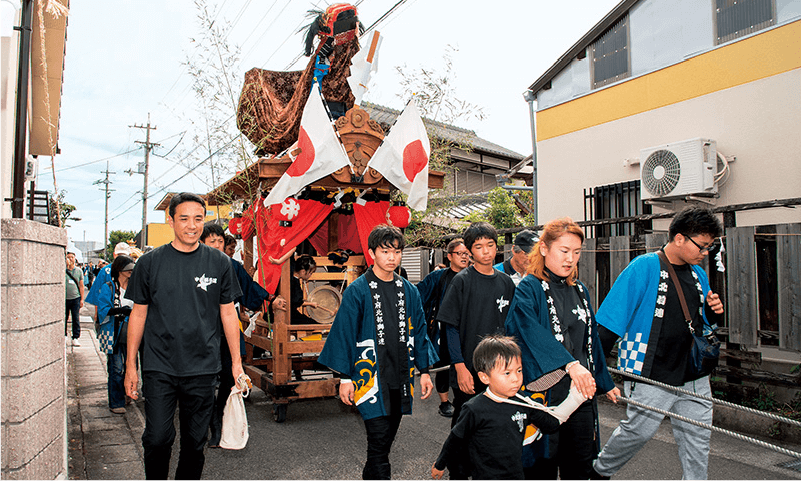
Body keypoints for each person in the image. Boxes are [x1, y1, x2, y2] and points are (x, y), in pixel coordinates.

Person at [592, 206, 724, 481]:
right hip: (652, 370)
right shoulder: (644, 267)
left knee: (698, 440)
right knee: (636, 432)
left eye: (709, 247)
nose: (705, 253)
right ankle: (599, 472)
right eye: (702, 246)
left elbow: (702, 323)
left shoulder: (698, 274)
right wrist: (599, 373)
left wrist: (713, 311)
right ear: (679, 238)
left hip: (693, 373)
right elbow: (607, 325)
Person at [123, 192, 244, 481]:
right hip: (159, 366)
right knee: (157, 438)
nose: (192, 225)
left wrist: (237, 363)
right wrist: (130, 366)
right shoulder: (150, 263)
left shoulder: (219, 263)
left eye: (198, 219)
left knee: (195, 442)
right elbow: (138, 314)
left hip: (203, 367)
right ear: (171, 220)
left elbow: (228, 313)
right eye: (184, 218)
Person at [319, 224, 438, 481]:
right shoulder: (358, 290)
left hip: (400, 375)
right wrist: (345, 378)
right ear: (372, 253)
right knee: (378, 441)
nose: (392, 257)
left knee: (385, 441)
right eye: (385, 251)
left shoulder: (409, 290)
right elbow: (344, 333)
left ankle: (369, 474)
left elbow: (419, 331)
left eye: (397, 251)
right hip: (369, 378)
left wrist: (425, 371)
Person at [505, 218, 618, 481]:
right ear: (544, 249)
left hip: (580, 393)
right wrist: (569, 364)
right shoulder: (529, 287)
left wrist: (604, 380)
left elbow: (589, 342)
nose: (570, 259)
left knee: (579, 464)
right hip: (545, 394)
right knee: (542, 465)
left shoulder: (579, 290)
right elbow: (528, 330)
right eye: (564, 251)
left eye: (576, 252)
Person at [432, 335, 587, 481]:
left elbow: (551, 423)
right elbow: (455, 439)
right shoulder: (474, 409)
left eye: (518, 370)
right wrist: (440, 464)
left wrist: (576, 398)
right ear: (484, 377)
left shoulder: (522, 402)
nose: (515, 379)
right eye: (507, 373)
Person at [437, 222, 516, 438]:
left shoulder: (507, 283)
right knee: (465, 419)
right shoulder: (462, 281)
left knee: (495, 420)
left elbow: (512, 326)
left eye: (490, 245)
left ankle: (485, 467)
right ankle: (458, 468)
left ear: (497, 247)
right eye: (479, 247)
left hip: (499, 365)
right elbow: (450, 327)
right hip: (469, 366)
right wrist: (459, 366)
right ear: (470, 251)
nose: (486, 251)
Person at [200, 222, 273, 447]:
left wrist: (270, 299)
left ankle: (219, 422)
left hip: (227, 331)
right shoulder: (192, 265)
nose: (217, 245)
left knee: (228, 378)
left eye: (220, 241)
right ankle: (206, 423)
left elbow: (249, 287)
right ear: (201, 243)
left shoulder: (231, 265)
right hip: (200, 333)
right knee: (202, 383)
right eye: (212, 241)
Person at [416, 238, 471, 417]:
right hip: (443, 329)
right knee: (444, 365)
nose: (464, 257)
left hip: (467, 330)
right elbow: (418, 295)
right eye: (460, 254)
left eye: (466, 254)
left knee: (466, 363)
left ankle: (464, 399)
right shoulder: (438, 277)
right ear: (449, 256)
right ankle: (444, 401)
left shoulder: (473, 275)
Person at [94, 255, 136, 414]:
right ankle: (116, 402)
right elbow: (103, 310)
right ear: (120, 270)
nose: (131, 272)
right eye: (128, 269)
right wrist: (120, 311)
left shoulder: (135, 286)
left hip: (132, 333)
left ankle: (127, 394)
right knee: (116, 368)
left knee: (131, 366)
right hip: (115, 333)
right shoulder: (109, 287)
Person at [65, 251, 85, 347]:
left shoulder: (78, 271)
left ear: (75, 258)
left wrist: (82, 299)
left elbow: (81, 285)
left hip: (75, 298)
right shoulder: (63, 270)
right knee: (64, 317)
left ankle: (75, 337)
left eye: (71, 257)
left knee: (75, 318)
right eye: (68, 257)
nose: (70, 259)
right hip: (65, 298)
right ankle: (64, 335)